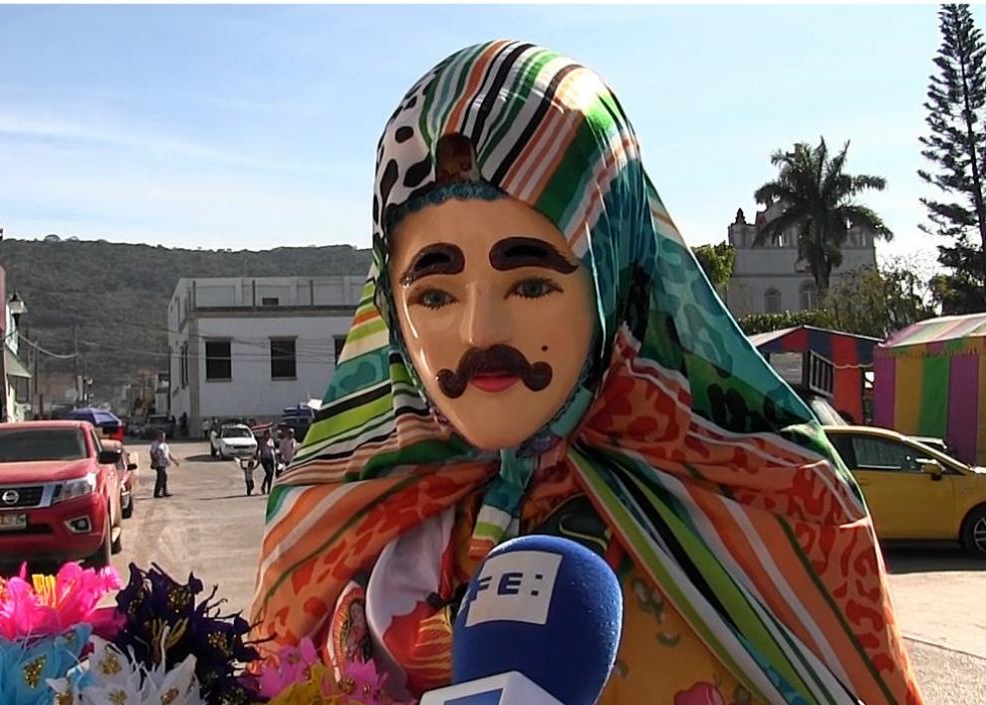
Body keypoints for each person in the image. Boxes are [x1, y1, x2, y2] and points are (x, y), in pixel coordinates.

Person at [250, 41, 922, 705]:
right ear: (389, 307)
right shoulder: (330, 521)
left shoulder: (779, 499)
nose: (480, 331)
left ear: (615, 270)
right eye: (434, 295)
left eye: (532, 284)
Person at [149, 431, 180, 498]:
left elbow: (168, 454)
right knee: (161, 477)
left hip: (164, 463)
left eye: (164, 437)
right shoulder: (155, 444)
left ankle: (164, 492)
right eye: (162, 437)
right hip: (158, 463)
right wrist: (153, 460)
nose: (163, 438)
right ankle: (157, 493)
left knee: (164, 478)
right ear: (159, 437)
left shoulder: (165, 445)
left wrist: (174, 461)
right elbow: (151, 453)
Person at [257, 429, 276, 495]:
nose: (269, 435)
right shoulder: (262, 441)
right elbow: (259, 450)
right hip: (264, 458)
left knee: (271, 474)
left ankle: (268, 489)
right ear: (265, 434)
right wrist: (259, 457)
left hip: (271, 458)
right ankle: (263, 486)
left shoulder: (271, 441)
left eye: (269, 434)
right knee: (269, 472)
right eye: (268, 434)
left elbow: (273, 449)